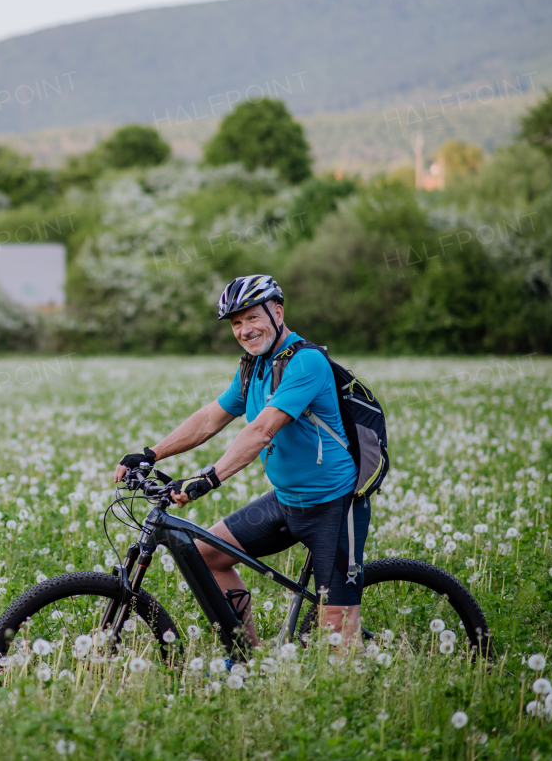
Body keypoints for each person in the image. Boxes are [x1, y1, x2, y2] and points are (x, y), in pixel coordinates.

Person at [114, 274, 368, 647]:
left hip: (335, 506)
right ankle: (248, 659)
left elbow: (261, 430)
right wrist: (152, 453)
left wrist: (208, 479)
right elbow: (210, 418)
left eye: (252, 318)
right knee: (208, 555)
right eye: (236, 322)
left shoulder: (307, 362)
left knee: (337, 629)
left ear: (277, 311)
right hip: (287, 502)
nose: (244, 330)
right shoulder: (254, 367)